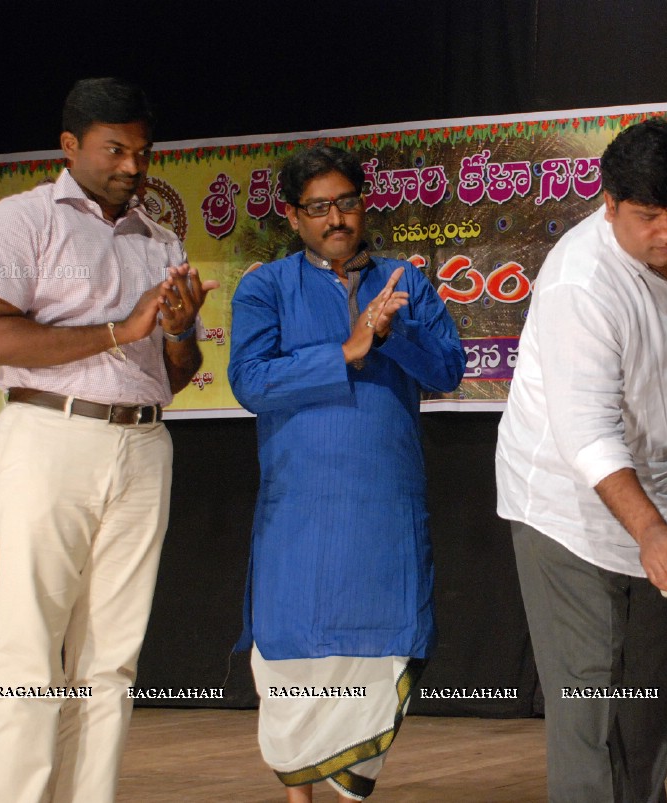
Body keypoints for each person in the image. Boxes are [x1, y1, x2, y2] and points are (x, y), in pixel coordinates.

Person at [0, 77, 218, 803]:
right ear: (70, 145)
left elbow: (174, 373)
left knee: (112, 660)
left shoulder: (160, 237)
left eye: (142, 152)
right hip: (49, 435)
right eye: (116, 150)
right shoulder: (17, 220)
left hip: (142, 444)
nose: (133, 167)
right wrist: (120, 328)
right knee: (28, 648)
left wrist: (174, 330)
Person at [495, 118, 667, 803]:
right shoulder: (581, 283)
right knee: (587, 698)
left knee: (647, 696)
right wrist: (651, 532)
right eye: (646, 218)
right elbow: (588, 434)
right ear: (607, 206)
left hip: (659, 499)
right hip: (567, 510)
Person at [228, 145, 465, 803]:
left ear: (364, 205)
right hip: (299, 508)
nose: (336, 218)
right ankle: (299, 796)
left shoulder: (404, 282)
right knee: (292, 650)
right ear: (293, 216)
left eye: (347, 202)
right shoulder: (265, 287)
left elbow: (445, 370)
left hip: (382, 506)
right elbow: (249, 380)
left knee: (380, 644)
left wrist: (393, 335)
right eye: (319, 207)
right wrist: (349, 347)